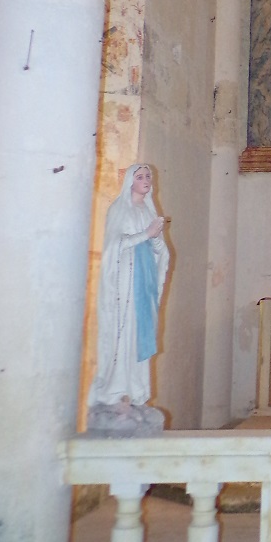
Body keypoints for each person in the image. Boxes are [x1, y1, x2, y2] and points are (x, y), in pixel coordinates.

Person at [87, 163, 170, 433]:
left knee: (140, 335)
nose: (146, 180)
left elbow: (159, 249)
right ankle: (115, 390)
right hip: (125, 284)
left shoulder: (148, 210)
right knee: (123, 336)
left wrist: (155, 238)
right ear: (130, 182)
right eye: (141, 176)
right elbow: (114, 246)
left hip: (143, 282)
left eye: (149, 176)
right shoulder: (119, 209)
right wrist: (145, 234)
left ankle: (136, 391)